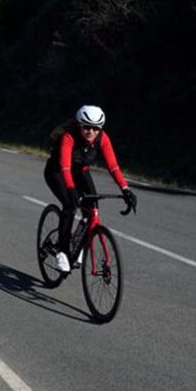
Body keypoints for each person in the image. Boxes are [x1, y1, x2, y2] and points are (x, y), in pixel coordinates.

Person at [44, 105, 137, 272]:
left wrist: (125, 189)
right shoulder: (69, 137)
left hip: (80, 172)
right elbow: (65, 166)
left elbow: (113, 166)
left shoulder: (102, 138)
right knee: (70, 205)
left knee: (92, 208)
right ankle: (63, 252)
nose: (91, 132)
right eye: (86, 127)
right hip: (57, 172)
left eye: (96, 128)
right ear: (79, 125)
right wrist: (71, 189)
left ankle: (77, 244)